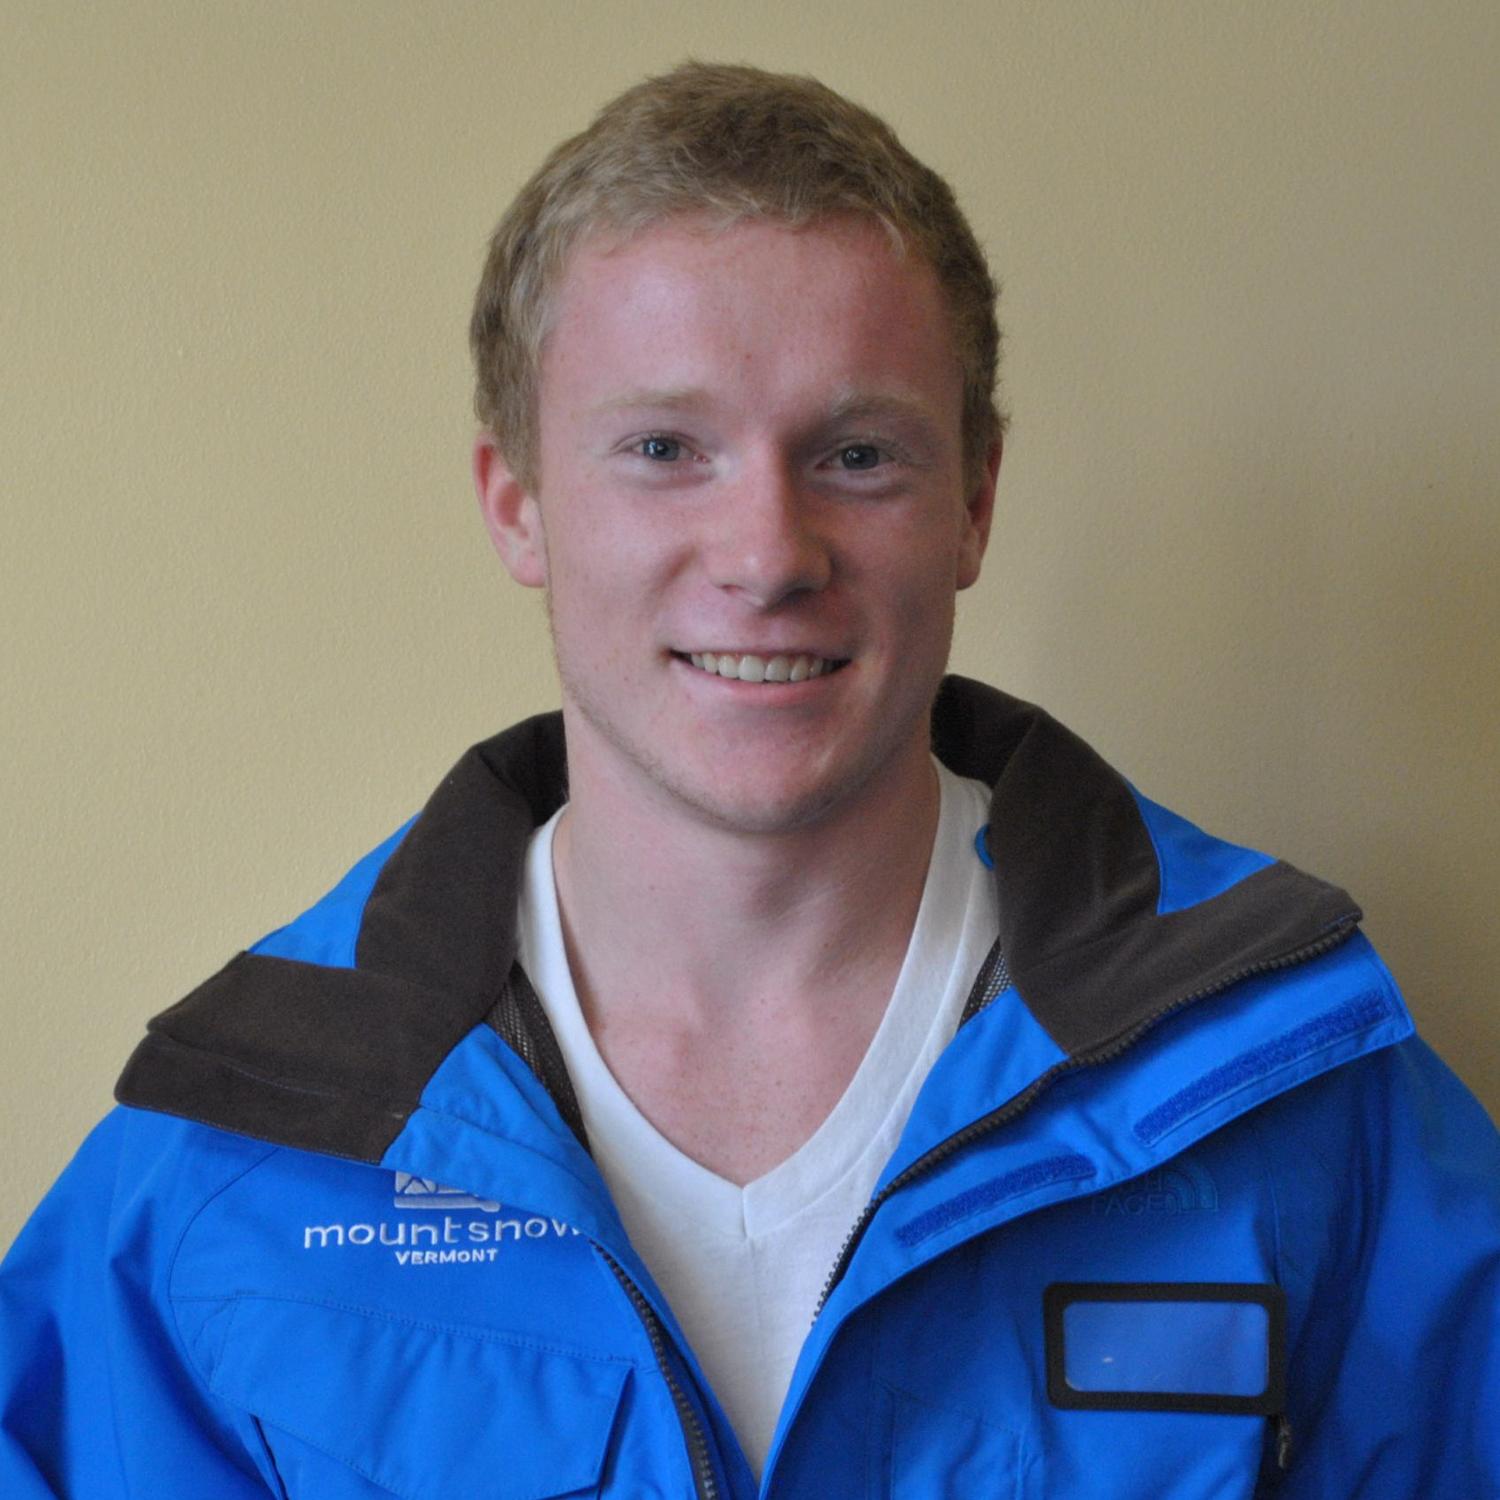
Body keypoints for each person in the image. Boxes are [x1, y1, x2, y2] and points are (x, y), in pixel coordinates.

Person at [2, 60, 1496, 1499]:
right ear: (518, 503)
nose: (770, 555)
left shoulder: (1293, 1090)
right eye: (665, 448)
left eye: (859, 455)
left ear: (975, 501)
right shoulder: (242, 1154)